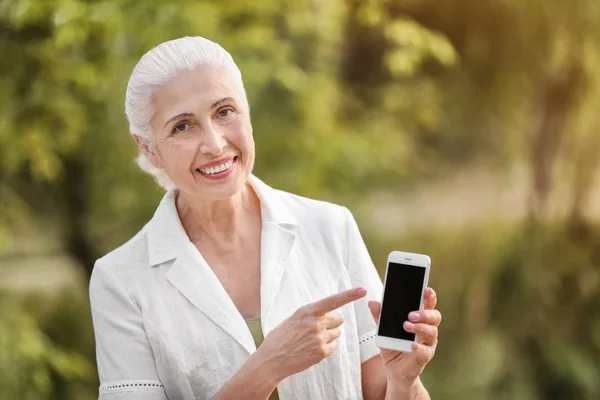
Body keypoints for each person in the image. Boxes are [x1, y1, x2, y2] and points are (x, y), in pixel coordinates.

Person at [89, 36, 442, 400]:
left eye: (224, 112)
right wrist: (269, 365)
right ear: (149, 148)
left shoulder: (330, 227)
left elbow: (380, 391)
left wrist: (404, 382)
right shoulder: (120, 280)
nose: (214, 143)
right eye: (182, 126)